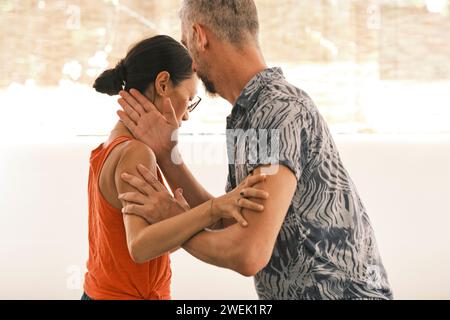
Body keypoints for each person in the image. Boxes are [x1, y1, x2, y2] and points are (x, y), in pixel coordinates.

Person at [117, 1, 393, 300]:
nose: (190, 66)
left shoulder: (277, 108)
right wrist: (167, 156)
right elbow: (231, 219)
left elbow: (249, 252)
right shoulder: (249, 114)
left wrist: (173, 218)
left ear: (200, 36)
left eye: (186, 45)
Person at [82, 35, 269, 300]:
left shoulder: (111, 146)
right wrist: (213, 208)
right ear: (163, 84)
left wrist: (177, 218)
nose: (187, 114)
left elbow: (135, 245)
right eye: (189, 98)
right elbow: (139, 246)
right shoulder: (137, 153)